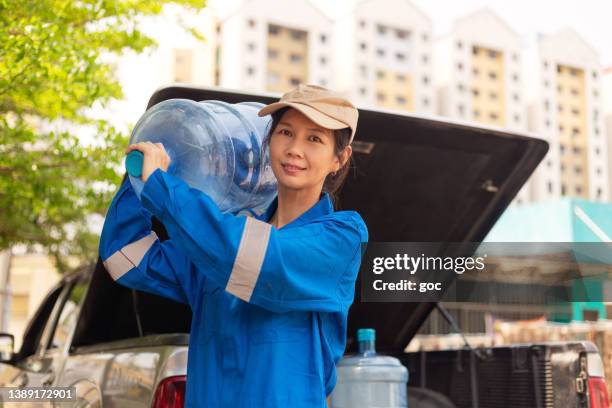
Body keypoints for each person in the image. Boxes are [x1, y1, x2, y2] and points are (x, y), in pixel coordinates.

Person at [98, 84, 369, 407]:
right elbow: (123, 256)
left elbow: (261, 261)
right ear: (268, 141)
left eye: (314, 139)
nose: (295, 148)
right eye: (285, 132)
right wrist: (140, 176)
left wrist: (162, 187)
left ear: (340, 158)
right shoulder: (218, 240)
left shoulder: (341, 237)